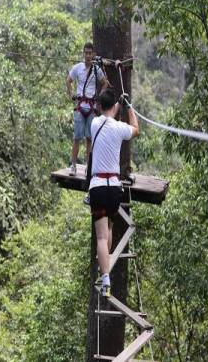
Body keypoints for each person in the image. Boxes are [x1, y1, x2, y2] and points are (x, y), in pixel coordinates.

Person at [89, 87, 139, 297]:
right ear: (116, 107)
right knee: (108, 225)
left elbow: (100, 108)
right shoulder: (120, 128)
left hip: (98, 187)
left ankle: (106, 279)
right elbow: (136, 129)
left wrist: (113, 101)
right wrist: (128, 107)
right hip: (114, 190)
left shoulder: (94, 124)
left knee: (100, 237)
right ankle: (107, 267)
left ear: (101, 106)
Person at [66, 42, 109, 176]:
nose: (88, 55)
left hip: (91, 107)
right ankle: (73, 166)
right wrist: (71, 95)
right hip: (80, 106)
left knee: (89, 138)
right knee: (77, 137)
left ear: (93, 54)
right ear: (83, 54)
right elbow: (68, 80)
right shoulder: (77, 68)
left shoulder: (97, 70)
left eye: (90, 53)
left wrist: (99, 97)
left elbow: (105, 83)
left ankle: (88, 167)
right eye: (86, 53)